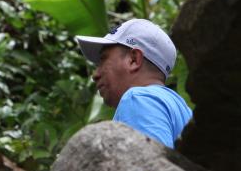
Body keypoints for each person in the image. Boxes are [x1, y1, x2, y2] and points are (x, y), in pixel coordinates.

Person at [76, 18, 192, 148]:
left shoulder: (137, 99)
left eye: (103, 60)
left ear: (133, 59)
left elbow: (149, 165)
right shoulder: (180, 107)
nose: (95, 75)